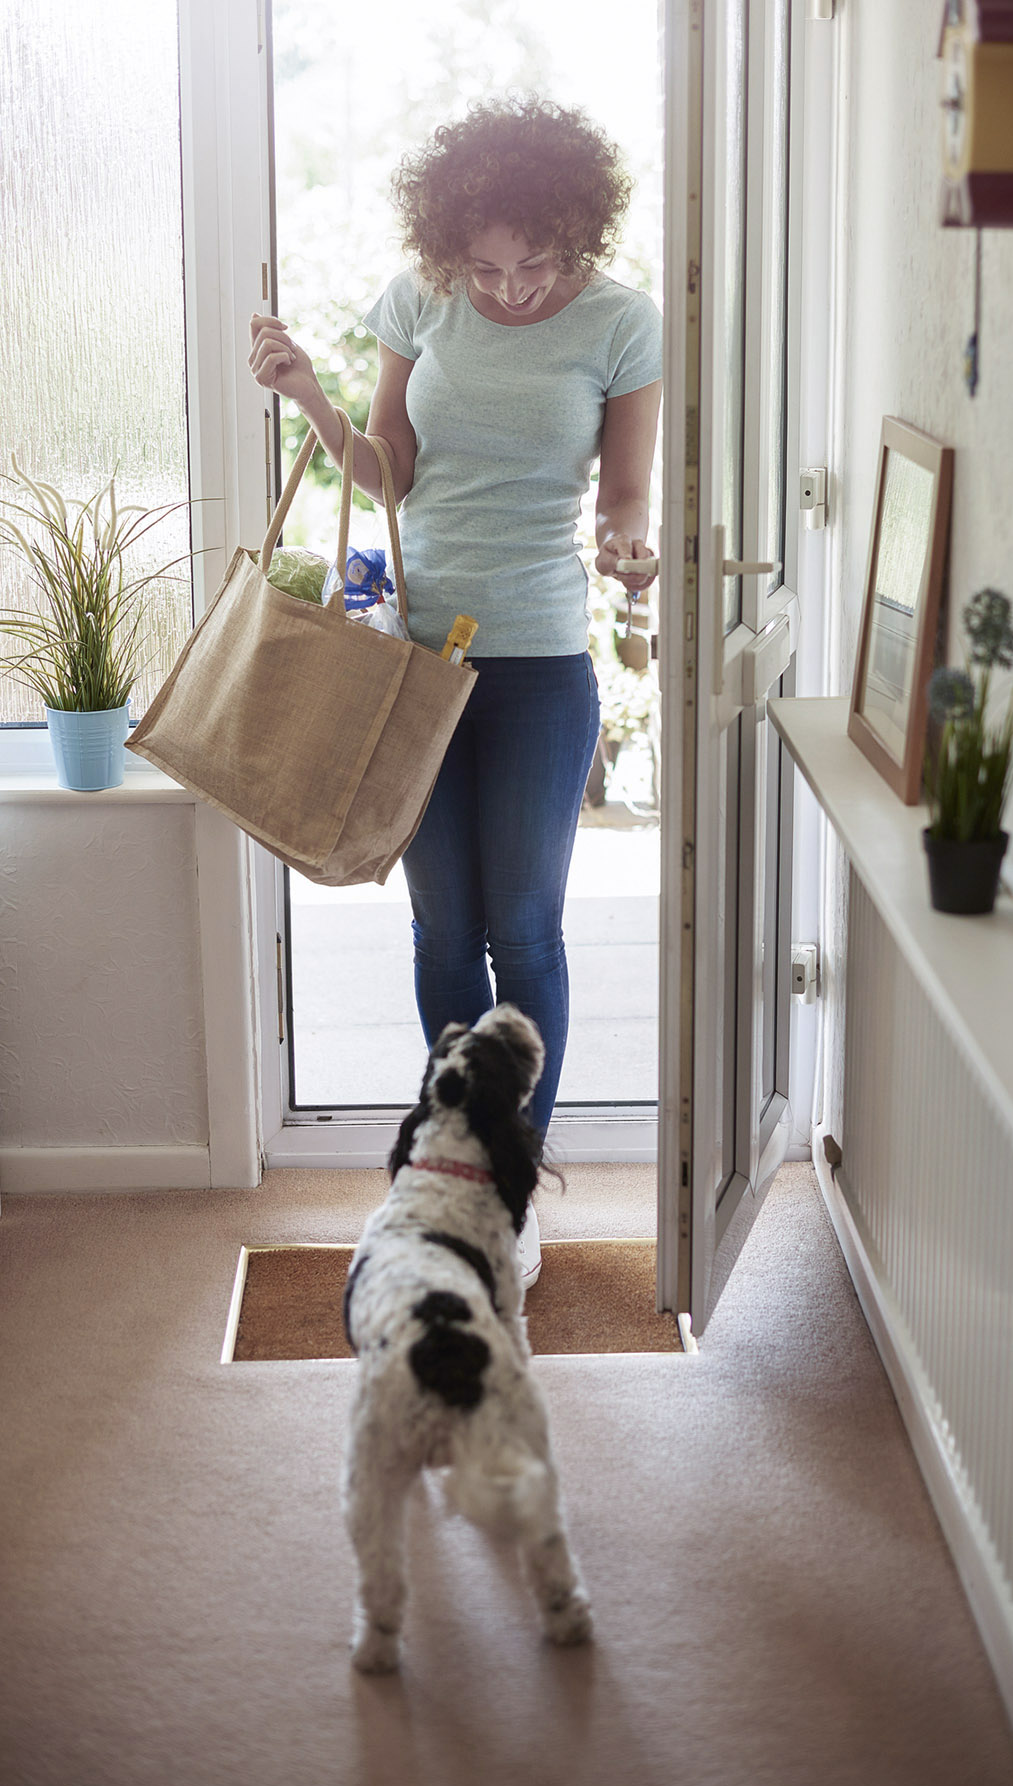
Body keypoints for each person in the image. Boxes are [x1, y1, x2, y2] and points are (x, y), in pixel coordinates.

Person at [249, 97, 662, 1280]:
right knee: (442, 927)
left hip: (538, 657)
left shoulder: (624, 323)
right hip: (414, 657)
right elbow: (390, 469)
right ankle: (451, 1171)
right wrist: (312, 401)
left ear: (578, 234)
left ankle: (507, 1191)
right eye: (486, 265)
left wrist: (632, 545)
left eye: (538, 263)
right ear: (448, 248)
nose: (514, 287)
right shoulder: (418, 300)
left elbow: (624, 491)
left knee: (524, 928)